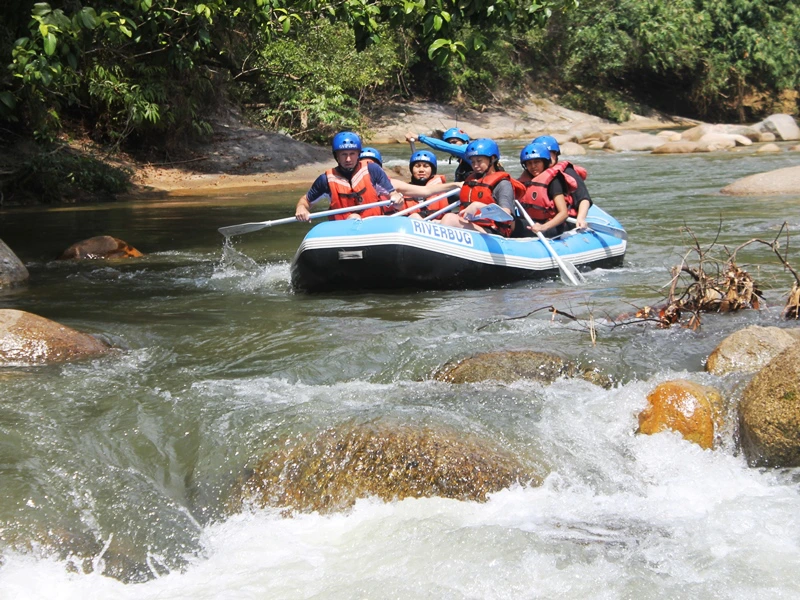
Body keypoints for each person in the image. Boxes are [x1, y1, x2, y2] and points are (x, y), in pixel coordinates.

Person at [295, 132, 403, 222]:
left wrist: (397, 200)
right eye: (343, 154)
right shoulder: (325, 180)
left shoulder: (372, 170)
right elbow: (305, 201)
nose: (348, 159)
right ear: (336, 156)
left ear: (358, 154)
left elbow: (393, 195)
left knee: (355, 218)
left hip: (372, 225)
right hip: (343, 229)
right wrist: (301, 208)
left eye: (352, 154)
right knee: (353, 218)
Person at [440, 138, 515, 236]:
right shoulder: (471, 181)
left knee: (449, 219)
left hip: (493, 232)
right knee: (434, 222)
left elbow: (506, 215)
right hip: (473, 226)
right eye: (473, 162)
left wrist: (479, 206)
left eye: (479, 161)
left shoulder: (502, 184)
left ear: (492, 159)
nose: (475, 165)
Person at [531, 135, 592, 229]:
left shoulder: (567, 172)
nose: (546, 156)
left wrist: (581, 218)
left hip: (563, 220)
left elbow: (583, 198)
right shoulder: (533, 173)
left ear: (556, 154)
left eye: (549, 153)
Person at [515, 142, 574, 238]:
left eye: (537, 162)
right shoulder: (524, 181)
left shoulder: (554, 181)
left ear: (544, 162)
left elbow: (563, 213)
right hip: (533, 223)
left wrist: (544, 227)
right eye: (529, 163)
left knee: (515, 225)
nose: (533, 166)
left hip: (552, 226)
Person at [397, 150, 453, 219]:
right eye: (417, 166)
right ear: (412, 169)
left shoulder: (444, 190)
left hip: (437, 224)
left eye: (425, 166)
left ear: (432, 169)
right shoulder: (404, 191)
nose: (421, 169)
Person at [404, 127, 473, 182]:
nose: (451, 145)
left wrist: (420, 138)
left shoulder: (468, 150)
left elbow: (441, 146)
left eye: (454, 142)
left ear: (465, 142)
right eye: (448, 143)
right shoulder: (462, 159)